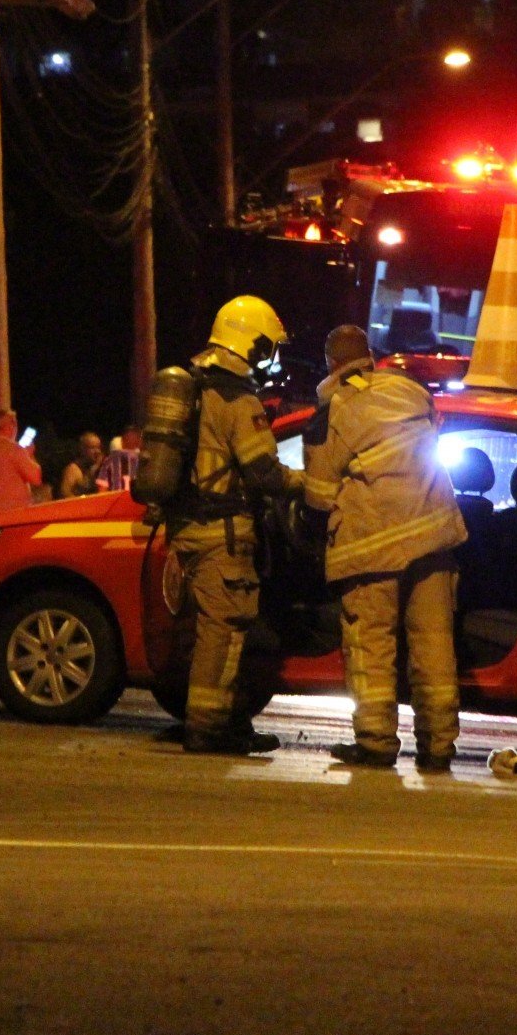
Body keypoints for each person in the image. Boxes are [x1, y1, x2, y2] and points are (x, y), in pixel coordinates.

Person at [303, 323, 469, 772]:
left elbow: (318, 496)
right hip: (434, 538)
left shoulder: (333, 411)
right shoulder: (410, 391)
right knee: (433, 644)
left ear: (331, 363)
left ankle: (376, 742)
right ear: (369, 355)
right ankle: (438, 746)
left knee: (371, 644)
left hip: (371, 548)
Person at [164, 296, 303, 755]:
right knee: (223, 633)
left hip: (188, 526)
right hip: (223, 532)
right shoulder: (238, 399)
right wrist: (308, 484)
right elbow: (263, 472)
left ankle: (220, 720)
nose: (270, 357)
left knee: (207, 632)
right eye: (268, 347)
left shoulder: (196, 387)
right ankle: (207, 729)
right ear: (252, 343)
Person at [0, 409, 43, 517]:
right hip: (12, 514)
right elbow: (36, 478)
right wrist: (30, 455)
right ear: (11, 425)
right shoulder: (13, 448)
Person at [96, 424, 143, 496]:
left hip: (116, 503)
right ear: (140, 443)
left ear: (122, 441)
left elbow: (102, 493)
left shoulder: (110, 460)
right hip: (136, 505)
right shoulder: (148, 462)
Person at [58, 431, 107, 498]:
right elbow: (64, 494)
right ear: (83, 449)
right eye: (93, 448)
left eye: (98, 448)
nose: (97, 452)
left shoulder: (98, 468)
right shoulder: (73, 469)